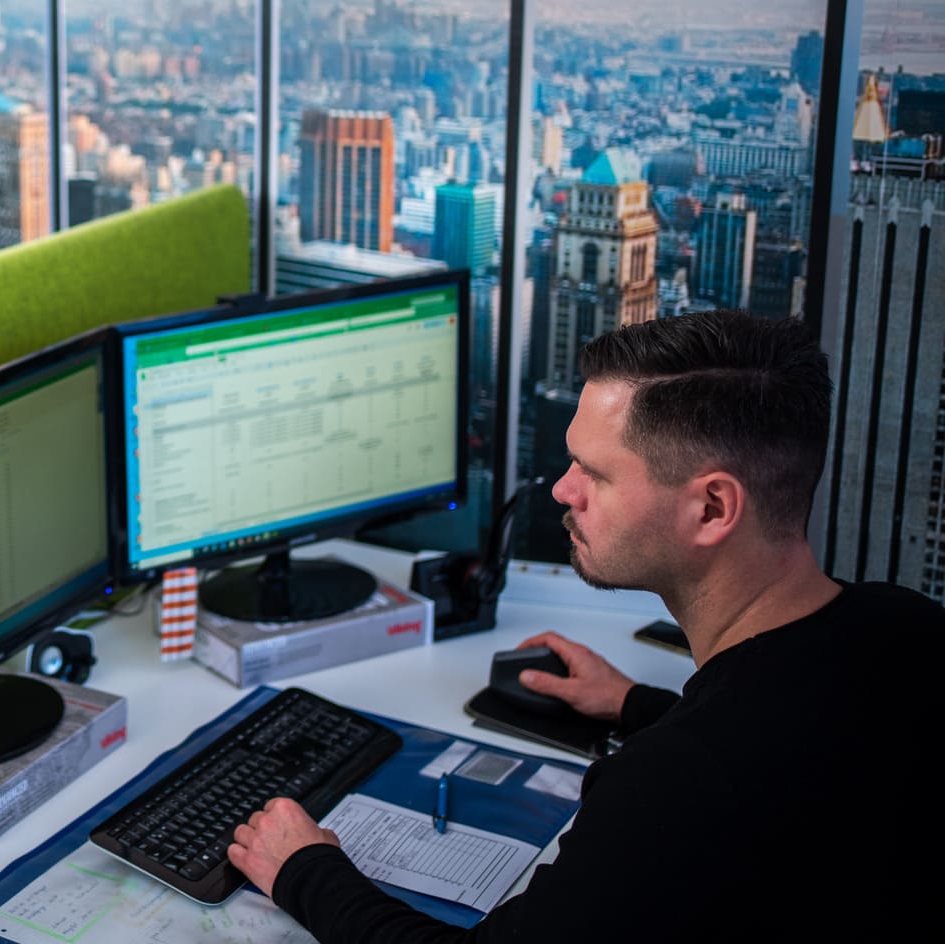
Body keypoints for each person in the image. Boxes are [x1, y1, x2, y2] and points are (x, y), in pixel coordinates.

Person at [228, 310, 945, 940]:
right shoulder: (907, 626)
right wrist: (636, 705)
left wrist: (305, 870)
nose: (562, 490)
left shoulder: (674, 786)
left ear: (712, 509)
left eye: (593, 473)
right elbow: (790, 754)